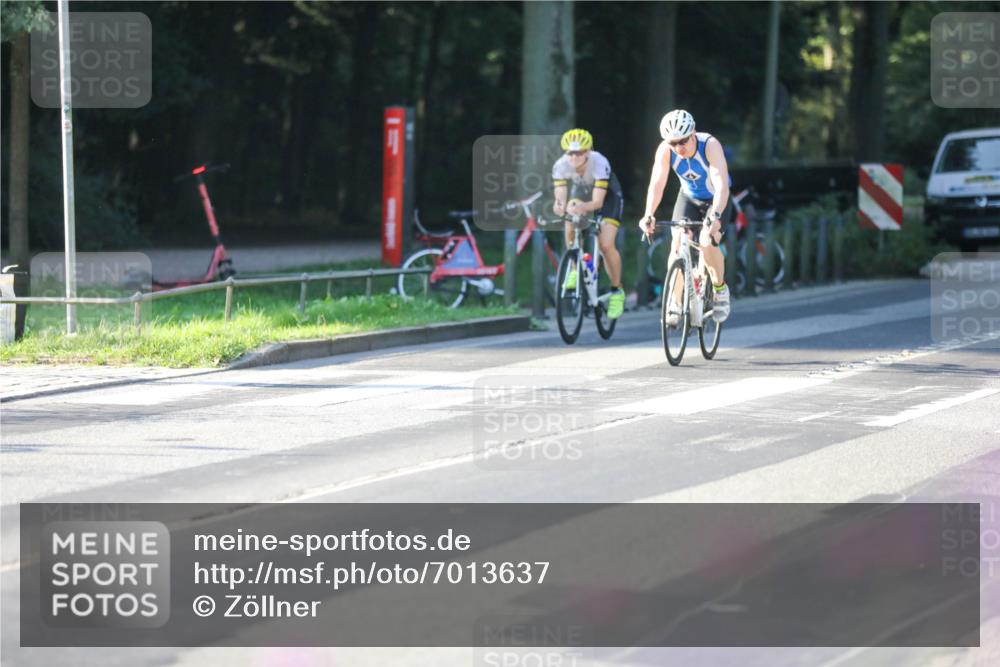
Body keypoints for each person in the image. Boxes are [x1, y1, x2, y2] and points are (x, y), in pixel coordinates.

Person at [639, 109, 731, 325]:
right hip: (689, 198)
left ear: (693, 133)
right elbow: (657, 184)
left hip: (716, 199)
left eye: (682, 141)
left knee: (707, 241)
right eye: (673, 143)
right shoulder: (665, 150)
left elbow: (721, 185)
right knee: (678, 241)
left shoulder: (709, 145)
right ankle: (675, 302)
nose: (678, 148)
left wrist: (715, 215)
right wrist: (648, 214)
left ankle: (720, 290)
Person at [552, 128, 626, 320]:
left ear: (588, 151)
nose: (575, 157)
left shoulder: (599, 162)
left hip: (607, 198)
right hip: (583, 192)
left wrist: (579, 207)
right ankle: (577, 268)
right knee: (569, 215)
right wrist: (561, 206)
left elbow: (597, 203)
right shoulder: (561, 165)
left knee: (605, 244)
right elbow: (560, 197)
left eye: (580, 152)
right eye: (570, 153)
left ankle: (617, 291)